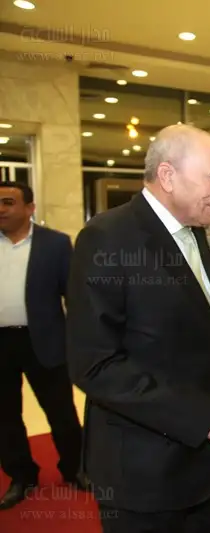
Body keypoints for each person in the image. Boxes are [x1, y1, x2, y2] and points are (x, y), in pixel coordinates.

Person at [66, 124, 210, 532]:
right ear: (168, 176)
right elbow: (94, 364)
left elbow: (197, 326)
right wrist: (205, 415)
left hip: (204, 467)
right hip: (143, 475)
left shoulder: (194, 232)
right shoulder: (106, 238)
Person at [0, 182, 87, 510]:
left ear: (30, 208)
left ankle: (75, 469)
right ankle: (21, 476)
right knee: (5, 416)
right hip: (1, 343)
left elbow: (74, 296)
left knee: (61, 412)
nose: (1, 209)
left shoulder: (55, 244)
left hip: (44, 340)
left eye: (8, 202)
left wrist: (78, 341)